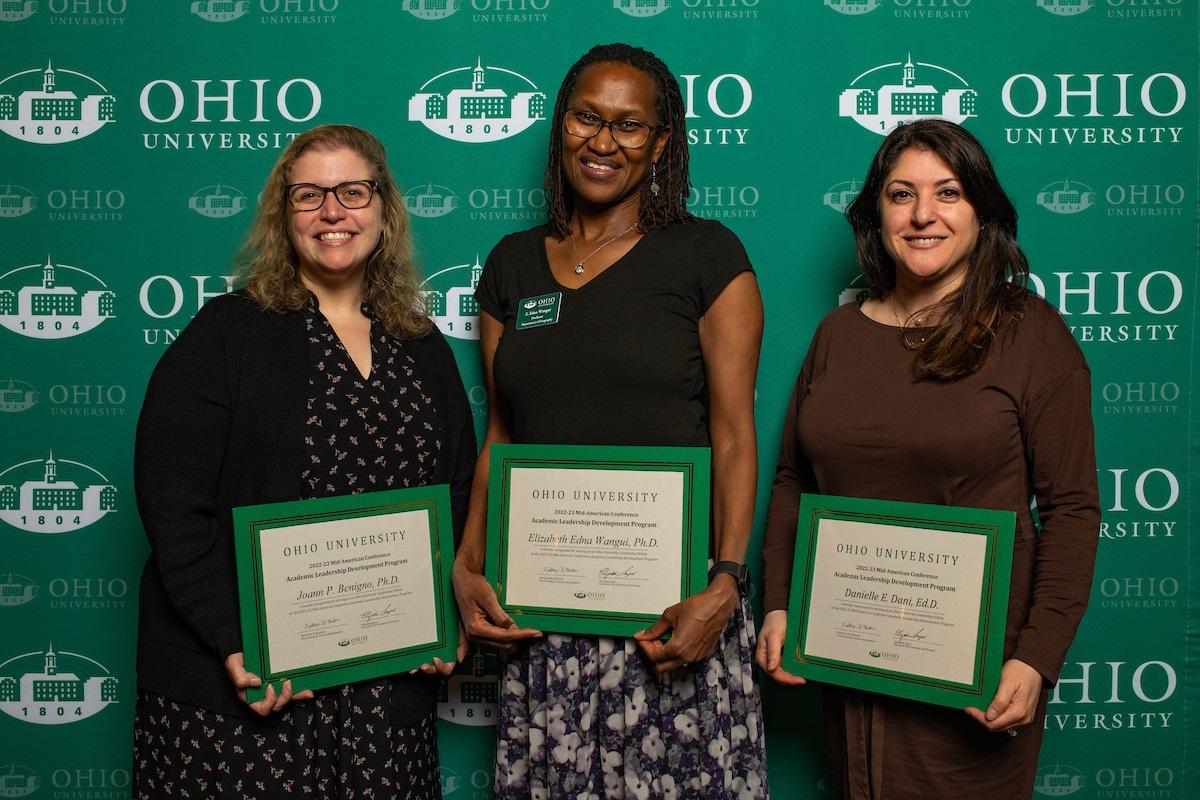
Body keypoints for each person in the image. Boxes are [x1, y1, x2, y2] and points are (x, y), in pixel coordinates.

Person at [451, 43, 769, 799]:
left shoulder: (707, 255)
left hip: (672, 623)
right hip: (544, 625)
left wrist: (724, 585)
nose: (603, 141)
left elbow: (732, 436)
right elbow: (503, 435)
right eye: (587, 117)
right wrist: (465, 566)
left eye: (630, 126)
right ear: (561, 124)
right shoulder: (511, 265)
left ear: (662, 143)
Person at [755, 119, 1100, 799]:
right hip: (851, 657)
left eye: (947, 193)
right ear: (875, 213)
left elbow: (1072, 509)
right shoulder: (838, 334)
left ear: (981, 212)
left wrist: (1036, 658)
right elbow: (795, 478)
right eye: (900, 194)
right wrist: (779, 606)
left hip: (976, 674)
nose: (922, 215)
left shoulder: (1030, 333)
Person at [132, 124, 476, 799]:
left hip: (385, 694)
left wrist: (446, 611)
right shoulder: (227, 332)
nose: (331, 213)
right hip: (252, 690)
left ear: (384, 208)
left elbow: (457, 490)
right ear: (281, 215)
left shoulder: (422, 342)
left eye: (352, 192)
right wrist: (235, 639)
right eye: (308, 196)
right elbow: (173, 501)